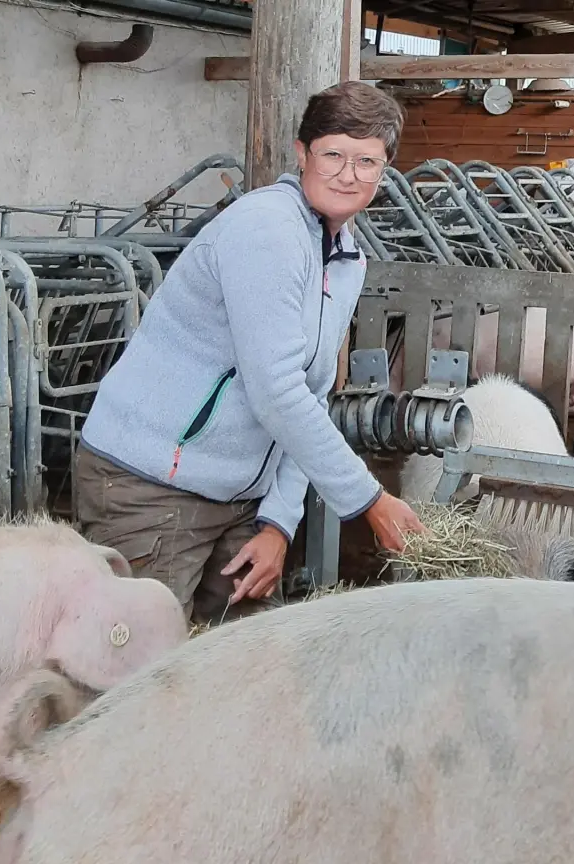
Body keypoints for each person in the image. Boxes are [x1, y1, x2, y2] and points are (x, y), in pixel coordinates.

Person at [74, 80, 426, 626]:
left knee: (244, 659)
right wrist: (369, 500)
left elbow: (310, 394)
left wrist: (279, 524)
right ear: (302, 153)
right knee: (137, 665)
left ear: (384, 172)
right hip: (149, 485)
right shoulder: (268, 229)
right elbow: (276, 391)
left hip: (238, 497)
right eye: (333, 154)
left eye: (367, 161)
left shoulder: (345, 260)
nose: (348, 174)